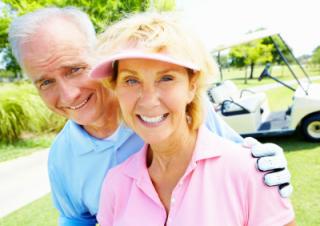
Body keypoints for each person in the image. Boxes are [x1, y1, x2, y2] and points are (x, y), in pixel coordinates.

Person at [8, 7, 292, 226]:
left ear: (98, 60)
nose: (69, 95)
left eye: (74, 69)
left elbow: (239, 161)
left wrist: (263, 165)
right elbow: (76, 220)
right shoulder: (69, 162)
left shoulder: (178, 110)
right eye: (45, 82)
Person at [92, 12, 296, 226]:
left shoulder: (250, 171)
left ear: (191, 86)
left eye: (167, 78)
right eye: (131, 80)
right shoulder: (115, 184)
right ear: (115, 88)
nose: (149, 100)